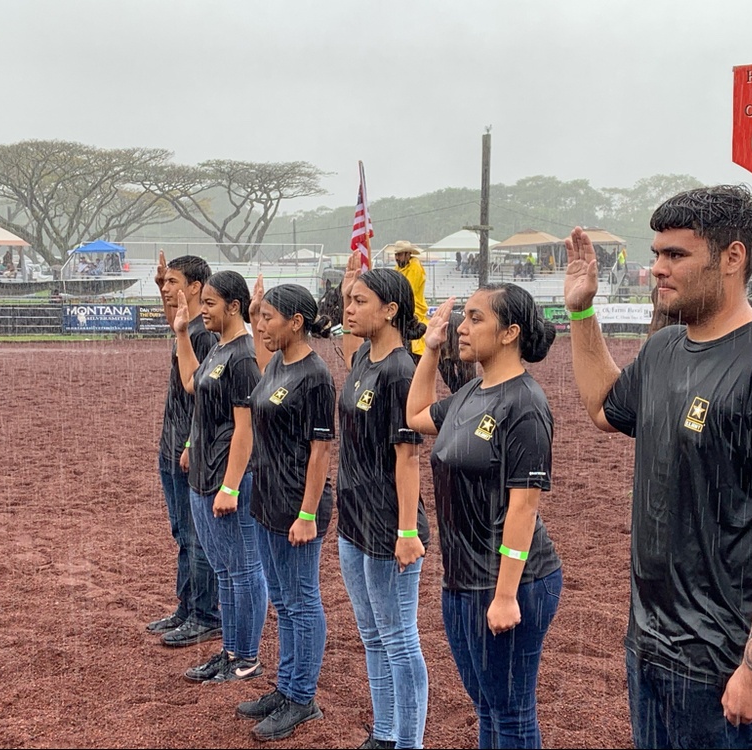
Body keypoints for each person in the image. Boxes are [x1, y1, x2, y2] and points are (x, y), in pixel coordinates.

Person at [565, 185, 752, 750]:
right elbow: (602, 408)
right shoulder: (664, 350)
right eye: (657, 253)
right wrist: (582, 311)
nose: (657, 268)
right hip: (650, 647)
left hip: (724, 666)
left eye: (676, 255)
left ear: (733, 258)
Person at [406, 286, 563, 749]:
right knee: (486, 705)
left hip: (511, 583)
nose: (462, 327)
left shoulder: (526, 404)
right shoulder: (471, 391)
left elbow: (524, 505)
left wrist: (506, 595)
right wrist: (430, 350)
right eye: (463, 318)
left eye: (475, 318)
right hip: (462, 579)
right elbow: (415, 414)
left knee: (511, 714)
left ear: (510, 332)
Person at [336, 251, 430, 750]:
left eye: (359, 300)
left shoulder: (400, 371)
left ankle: (408, 741)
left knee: (399, 638)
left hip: (389, 524)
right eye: (346, 300)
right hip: (352, 519)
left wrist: (407, 530)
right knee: (372, 635)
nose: (349, 309)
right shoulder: (358, 359)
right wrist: (355, 275)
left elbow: (408, 458)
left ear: (391, 309)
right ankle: (386, 732)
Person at [236, 278, 335, 742]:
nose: (260, 324)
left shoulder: (315, 375)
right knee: (283, 601)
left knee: (301, 601)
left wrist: (309, 514)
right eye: (259, 317)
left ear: (296, 322)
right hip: (267, 499)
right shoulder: (276, 360)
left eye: (268, 317)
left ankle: (303, 698)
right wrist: (256, 310)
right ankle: (287, 686)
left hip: (298, 504)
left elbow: (320, 452)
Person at [173, 270, 267, 685]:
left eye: (210, 303)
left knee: (245, 569)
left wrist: (230, 485)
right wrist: (180, 334)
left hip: (231, 481)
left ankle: (246, 657)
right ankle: (230, 650)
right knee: (226, 570)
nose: (203, 310)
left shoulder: (244, 355)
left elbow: (246, 429)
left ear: (234, 307)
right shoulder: (217, 347)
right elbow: (192, 384)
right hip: (205, 476)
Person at [145, 251, 221, 648]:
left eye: (173, 282)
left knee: (196, 536)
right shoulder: (185, 327)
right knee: (182, 532)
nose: (167, 288)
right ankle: (187, 606)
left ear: (195, 287)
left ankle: (206, 614)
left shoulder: (204, 335)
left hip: (189, 446)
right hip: (170, 442)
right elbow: (173, 317)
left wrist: (192, 441)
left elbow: (204, 397)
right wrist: (162, 291)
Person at [392, 240, 430, 361]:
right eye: (396, 255)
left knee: (411, 331)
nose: (397, 258)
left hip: (414, 308)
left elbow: (408, 293)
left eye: (400, 254)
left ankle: (417, 355)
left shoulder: (415, 267)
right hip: (399, 306)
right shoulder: (397, 268)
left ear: (408, 254)